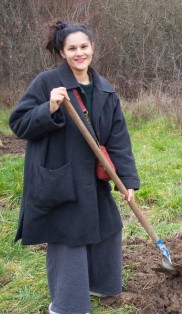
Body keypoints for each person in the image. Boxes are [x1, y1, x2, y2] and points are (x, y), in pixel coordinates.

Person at [9, 21, 140, 313]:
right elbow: (18, 124)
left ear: (92, 47)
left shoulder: (105, 90)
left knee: (109, 224)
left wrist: (128, 179)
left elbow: (119, 139)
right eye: (72, 48)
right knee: (69, 235)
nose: (79, 53)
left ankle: (99, 285)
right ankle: (67, 304)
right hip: (60, 175)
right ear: (62, 52)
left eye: (84, 46)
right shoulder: (46, 83)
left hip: (93, 177)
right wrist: (49, 108)